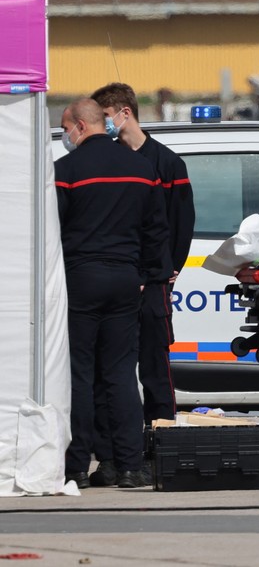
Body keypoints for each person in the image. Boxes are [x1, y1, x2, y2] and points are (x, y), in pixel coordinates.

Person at [56, 98, 170, 489]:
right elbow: (157, 229)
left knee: (79, 375)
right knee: (121, 374)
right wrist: (148, 275)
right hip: (125, 281)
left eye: (64, 128)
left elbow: (51, 233)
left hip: (80, 281)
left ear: (80, 126)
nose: (64, 136)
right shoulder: (142, 168)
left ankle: (74, 467)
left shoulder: (65, 171)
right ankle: (128, 465)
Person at [88, 82, 195, 487]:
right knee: (110, 371)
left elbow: (181, 223)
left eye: (107, 117)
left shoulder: (166, 164)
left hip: (151, 284)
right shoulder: (110, 162)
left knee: (154, 369)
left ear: (123, 113)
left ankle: (160, 449)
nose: (105, 126)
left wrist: (167, 271)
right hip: (118, 281)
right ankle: (113, 456)